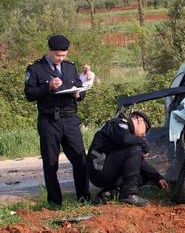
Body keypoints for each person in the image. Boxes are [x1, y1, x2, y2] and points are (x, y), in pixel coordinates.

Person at [24, 34, 90, 205]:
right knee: (51, 163)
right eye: (58, 55)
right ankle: (55, 202)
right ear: (50, 51)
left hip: (70, 120)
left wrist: (79, 93)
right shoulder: (35, 68)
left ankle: (84, 198)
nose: (61, 58)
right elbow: (29, 94)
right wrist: (48, 87)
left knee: (80, 159)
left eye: (64, 55)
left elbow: (79, 88)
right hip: (49, 122)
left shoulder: (69, 67)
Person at [87, 111, 168, 206]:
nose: (144, 134)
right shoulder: (118, 124)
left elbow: (139, 162)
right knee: (135, 148)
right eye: (145, 128)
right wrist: (143, 144)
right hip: (98, 169)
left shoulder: (126, 133)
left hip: (106, 169)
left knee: (143, 173)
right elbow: (124, 138)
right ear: (139, 120)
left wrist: (157, 177)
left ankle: (108, 193)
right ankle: (128, 195)